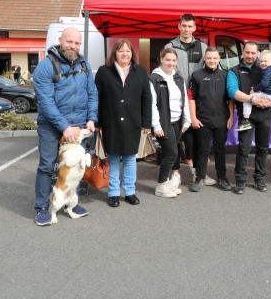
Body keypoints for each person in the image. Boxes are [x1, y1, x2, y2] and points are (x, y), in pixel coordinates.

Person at [33, 27, 98, 226]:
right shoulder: (45, 67)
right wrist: (64, 126)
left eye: (77, 43)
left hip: (78, 124)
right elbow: (46, 102)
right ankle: (42, 207)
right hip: (51, 125)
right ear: (60, 40)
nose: (73, 46)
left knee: (76, 164)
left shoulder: (84, 64)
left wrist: (91, 118)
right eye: (70, 42)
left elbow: (92, 93)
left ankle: (71, 202)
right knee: (47, 165)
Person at [95, 39, 152, 207]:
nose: (125, 54)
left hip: (132, 122)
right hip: (110, 121)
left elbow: (146, 98)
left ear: (132, 54)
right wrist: (96, 121)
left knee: (129, 158)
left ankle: (129, 191)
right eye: (121, 51)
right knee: (112, 158)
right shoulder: (104, 71)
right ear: (115, 53)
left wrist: (146, 122)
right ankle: (113, 192)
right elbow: (97, 97)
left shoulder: (140, 71)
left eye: (128, 51)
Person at [164, 13, 215, 185]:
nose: (186, 29)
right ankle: (175, 174)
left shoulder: (202, 47)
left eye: (190, 26)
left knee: (194, 138)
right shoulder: (170, 46)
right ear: (178, 26)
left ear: (194, 28)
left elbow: (211, 68)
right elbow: (164, 72)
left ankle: (196, 172)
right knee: (176, 137)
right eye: (183, 26)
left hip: (195, 100)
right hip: (175, 100)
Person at [227, 42, 271, 194]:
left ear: (257, 54)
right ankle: (240, 180)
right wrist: (252, 99)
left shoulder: (266, 67)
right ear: (243, 52)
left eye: (253, 53)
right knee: (243, 148)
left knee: (263, 149)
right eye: (247, 52)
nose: (250, 56)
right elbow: (232, 92)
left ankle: (260, 178)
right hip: (246, 117)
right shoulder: (234, 71)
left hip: (265, 114)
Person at [188, 46, 234, 192]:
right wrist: (193, 118)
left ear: (219, 59)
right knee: (202, 150)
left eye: (215, 58)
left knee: (220, 150)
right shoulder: (196, 75)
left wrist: (231, 116)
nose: (212, 60)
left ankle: (222, 178)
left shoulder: (226, 75)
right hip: (203, 120)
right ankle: (199, 177)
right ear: (204, 59)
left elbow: (230, 99)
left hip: (222, 119)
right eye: (209, 58)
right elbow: (191, 97)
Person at [149, 48, 192, 198]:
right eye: (168, 60)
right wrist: (157, 126)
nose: (171, 63)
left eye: (174, 60)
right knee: (171, 154)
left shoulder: (178, 78)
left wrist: (188, 119)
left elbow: (184, 100)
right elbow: (152, 104)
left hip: (177, 122)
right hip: (164, 123)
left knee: (173, 153)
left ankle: (166, 183)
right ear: (161, 59)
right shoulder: (154, 78)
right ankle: (161, 185)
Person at [236, 50, 271, 132]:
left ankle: (246, 121)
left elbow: (264, 83)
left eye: (265, 61)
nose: (263, 63)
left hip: (268, 94)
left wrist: (254, 90)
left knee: (247, 99)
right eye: (261, 61)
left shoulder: (268, 70)